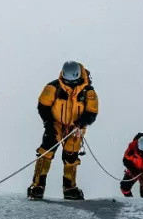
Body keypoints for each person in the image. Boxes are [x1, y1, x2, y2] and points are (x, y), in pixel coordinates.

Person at [27, 61, 99, 201]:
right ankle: (37, 186)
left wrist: (82, 123)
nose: (70, 83)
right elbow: (43, 106)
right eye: (67, 80)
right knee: (46, 151)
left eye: (74, 80)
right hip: (56, 124)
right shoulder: (53, 87)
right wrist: (49, 124)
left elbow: (92, 112)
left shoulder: (88, 91)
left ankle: (70, 188)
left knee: (71, 156)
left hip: (75, 127)